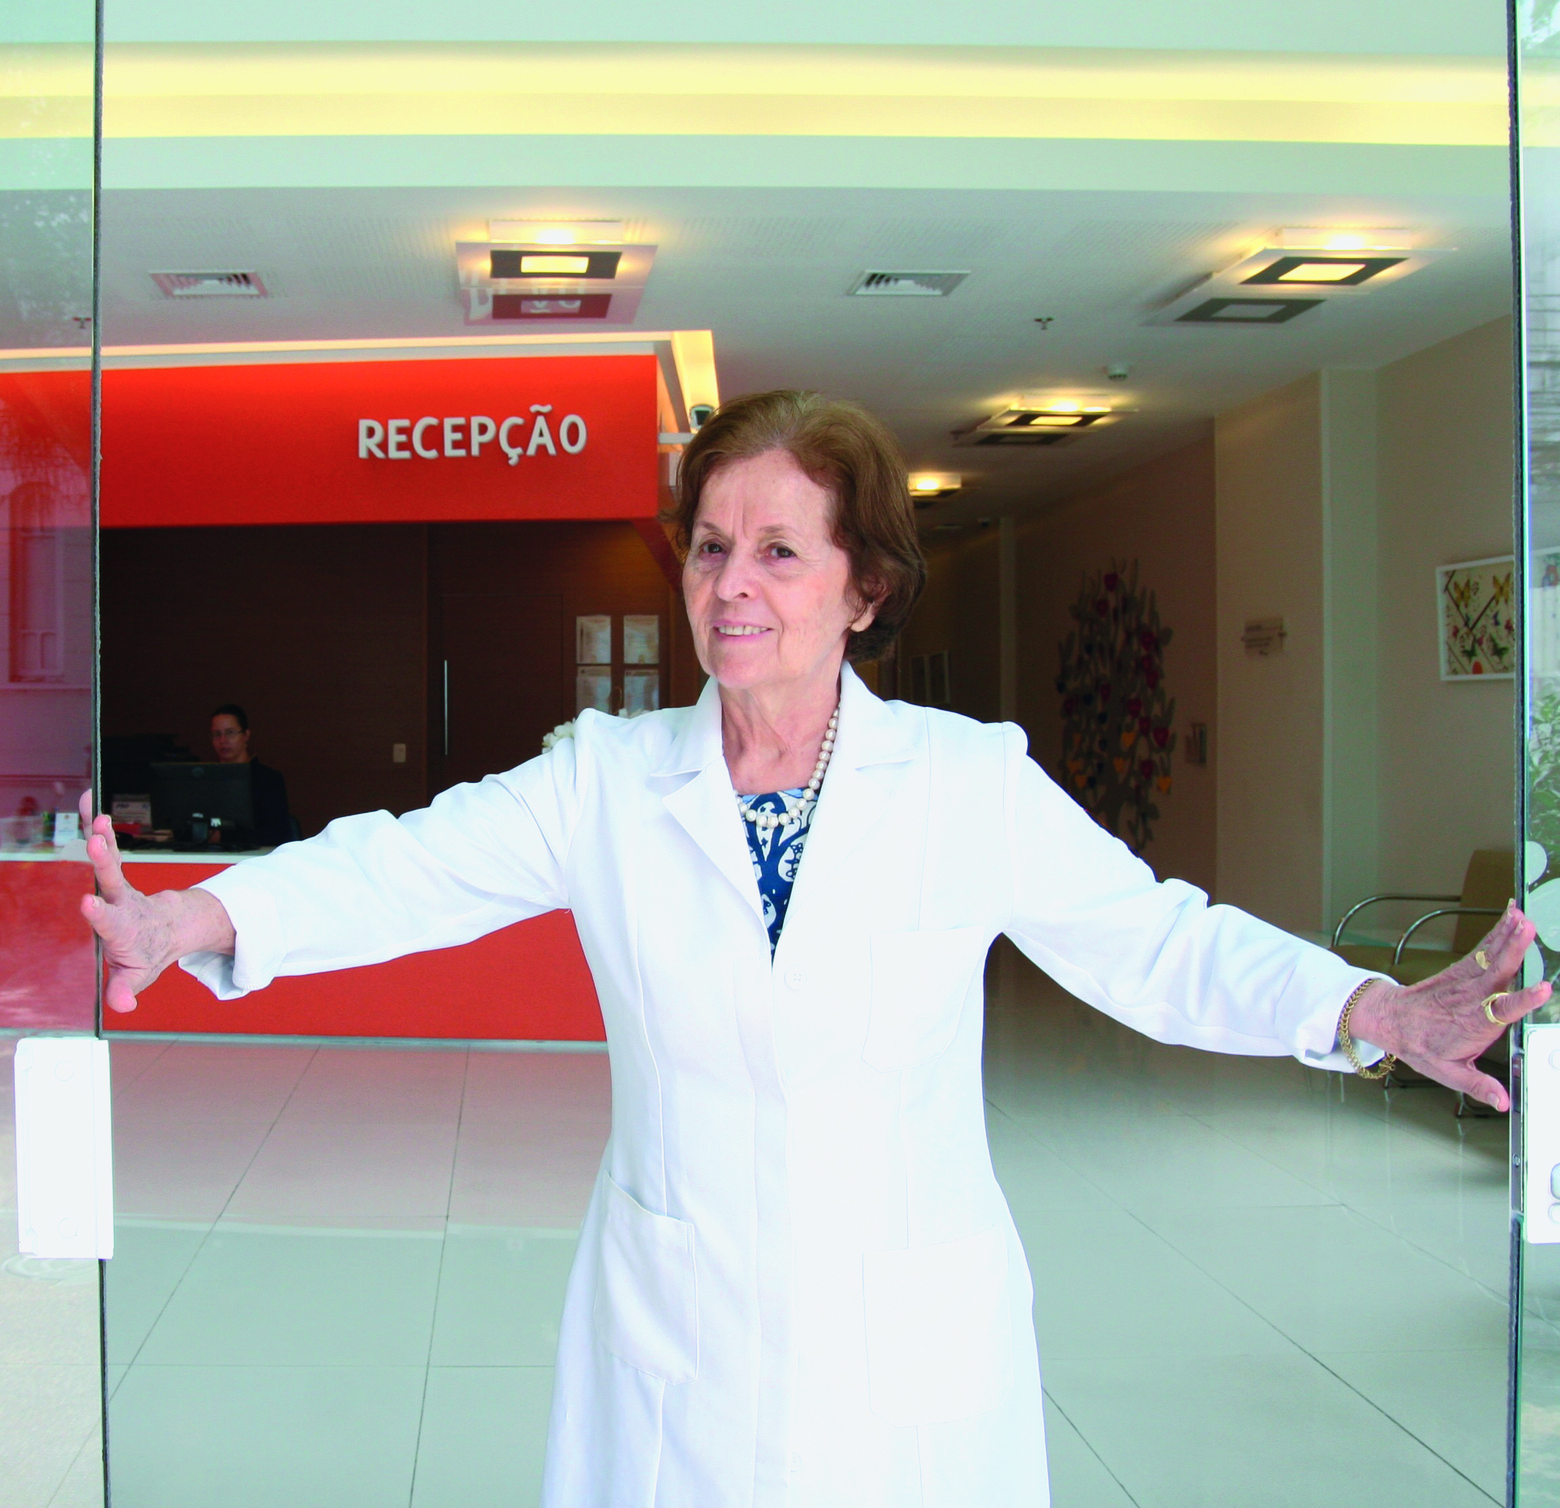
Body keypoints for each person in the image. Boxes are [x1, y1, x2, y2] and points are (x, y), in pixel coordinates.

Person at [80, 391, 1544, 1507]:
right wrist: (198, 911)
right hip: (679, 1317)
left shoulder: (966, 781)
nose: (732, 583)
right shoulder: (607, 778)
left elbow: (1156, 943)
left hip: (905, 1327)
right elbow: (410, 864)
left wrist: (1363, 1005)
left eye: (780, 551)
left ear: (864, 589)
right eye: (712, 546)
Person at [207, 703, 294, 848]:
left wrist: (222, 837)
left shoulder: (268, 779)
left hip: (256, 857)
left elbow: (275, 833)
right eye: (217, 734)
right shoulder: (206, 780)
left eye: (230, 733)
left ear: (246, 735)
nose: (223, 741)